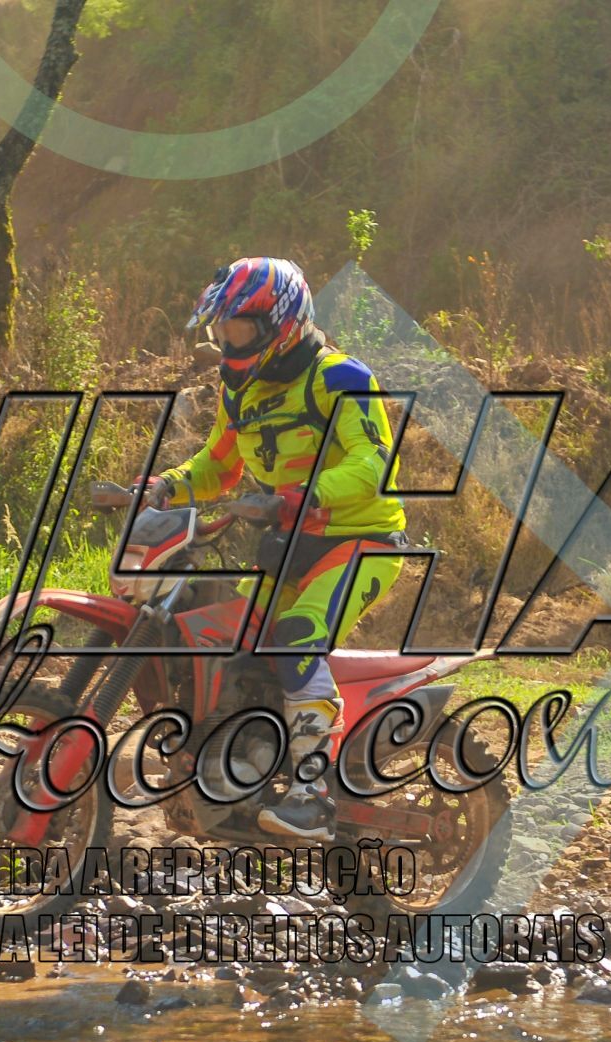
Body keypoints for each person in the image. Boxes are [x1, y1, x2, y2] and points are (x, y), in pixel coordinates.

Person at [142, 257, 406, 840]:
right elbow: (217, 467)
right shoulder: (241, 391)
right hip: (288, 544)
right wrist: (164, 486)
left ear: (280, 323)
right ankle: (241, 768)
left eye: (239, 329)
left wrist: (305, 495)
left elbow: (373, 462)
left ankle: (314, 795)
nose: (228, 343)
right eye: (222, 331)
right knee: (229, 643)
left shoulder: (340, 377)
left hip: (359, 539)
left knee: (296, 636)